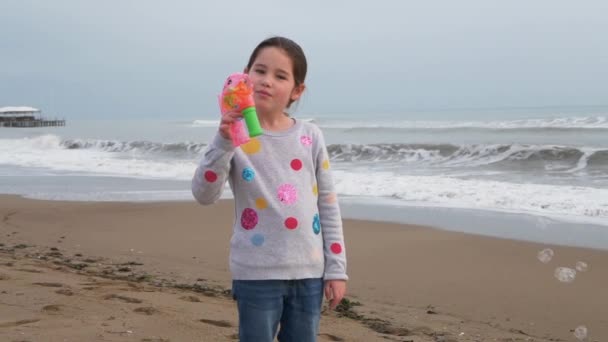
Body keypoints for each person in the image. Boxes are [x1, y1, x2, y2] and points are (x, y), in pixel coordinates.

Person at [192, 36, 347, 342]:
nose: (266, 81)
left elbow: (328, 204)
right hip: (256, 272)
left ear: (296, 90)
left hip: (309, 271)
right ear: (245, 74)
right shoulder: (234, 135)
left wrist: (337, 269)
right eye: (259, 71)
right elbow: (204, 194)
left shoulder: (310, 135)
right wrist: (223, 140)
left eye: (280, 76)